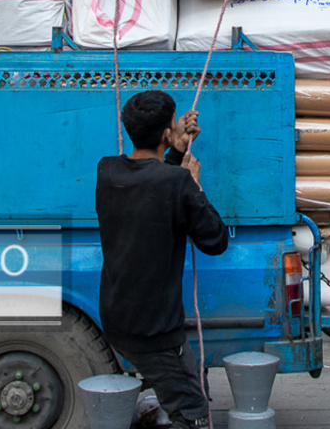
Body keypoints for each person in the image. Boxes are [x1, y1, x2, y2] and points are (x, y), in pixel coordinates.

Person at [96, 91, 230, 429]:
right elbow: (215, 241)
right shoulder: (178, 184)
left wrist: (175, 148)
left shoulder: (107, 171)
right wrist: (196, 188)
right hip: (152, 330)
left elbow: (152, 185)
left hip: (118, 319)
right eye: (172, 126)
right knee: (193, 410)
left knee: (193, 380)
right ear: (164, 134)